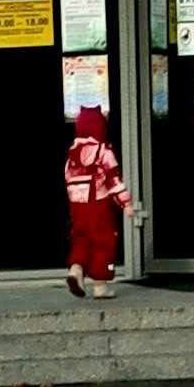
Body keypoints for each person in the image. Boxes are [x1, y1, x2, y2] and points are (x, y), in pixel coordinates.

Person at [61, 99, 128, 299]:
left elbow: (67, 177)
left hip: (78, 207)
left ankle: (76, 269)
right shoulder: (103, 151)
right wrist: (125, 202)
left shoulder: (73, 153)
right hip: (99, 205)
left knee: (81, 239)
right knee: (104, 241)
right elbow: (113, 178)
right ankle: (100, 285)